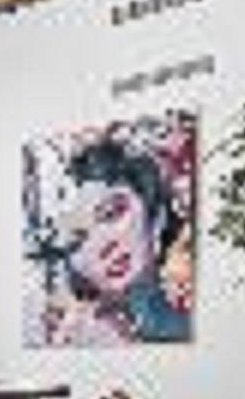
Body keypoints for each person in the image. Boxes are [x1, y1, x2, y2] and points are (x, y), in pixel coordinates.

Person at [45, 135, 190, 343]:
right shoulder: (95, 332)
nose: (104, 246)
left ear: (149, 203)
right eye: (76, 242)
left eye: (112, 213)